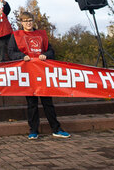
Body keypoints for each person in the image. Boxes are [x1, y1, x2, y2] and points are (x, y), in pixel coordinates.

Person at [9, 12, 71, 140]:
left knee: (48, 103)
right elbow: (11, 52)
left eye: (30, 20)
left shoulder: (41, 34)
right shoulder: (16, 36)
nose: (28, 23)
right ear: (21, 22)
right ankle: (33, 130)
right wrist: (21, 57)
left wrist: (46, 55)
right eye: (25, 21)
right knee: (32, 104)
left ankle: (56, 128)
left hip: (43, 73)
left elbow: (51, 51)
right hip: (28, 74)